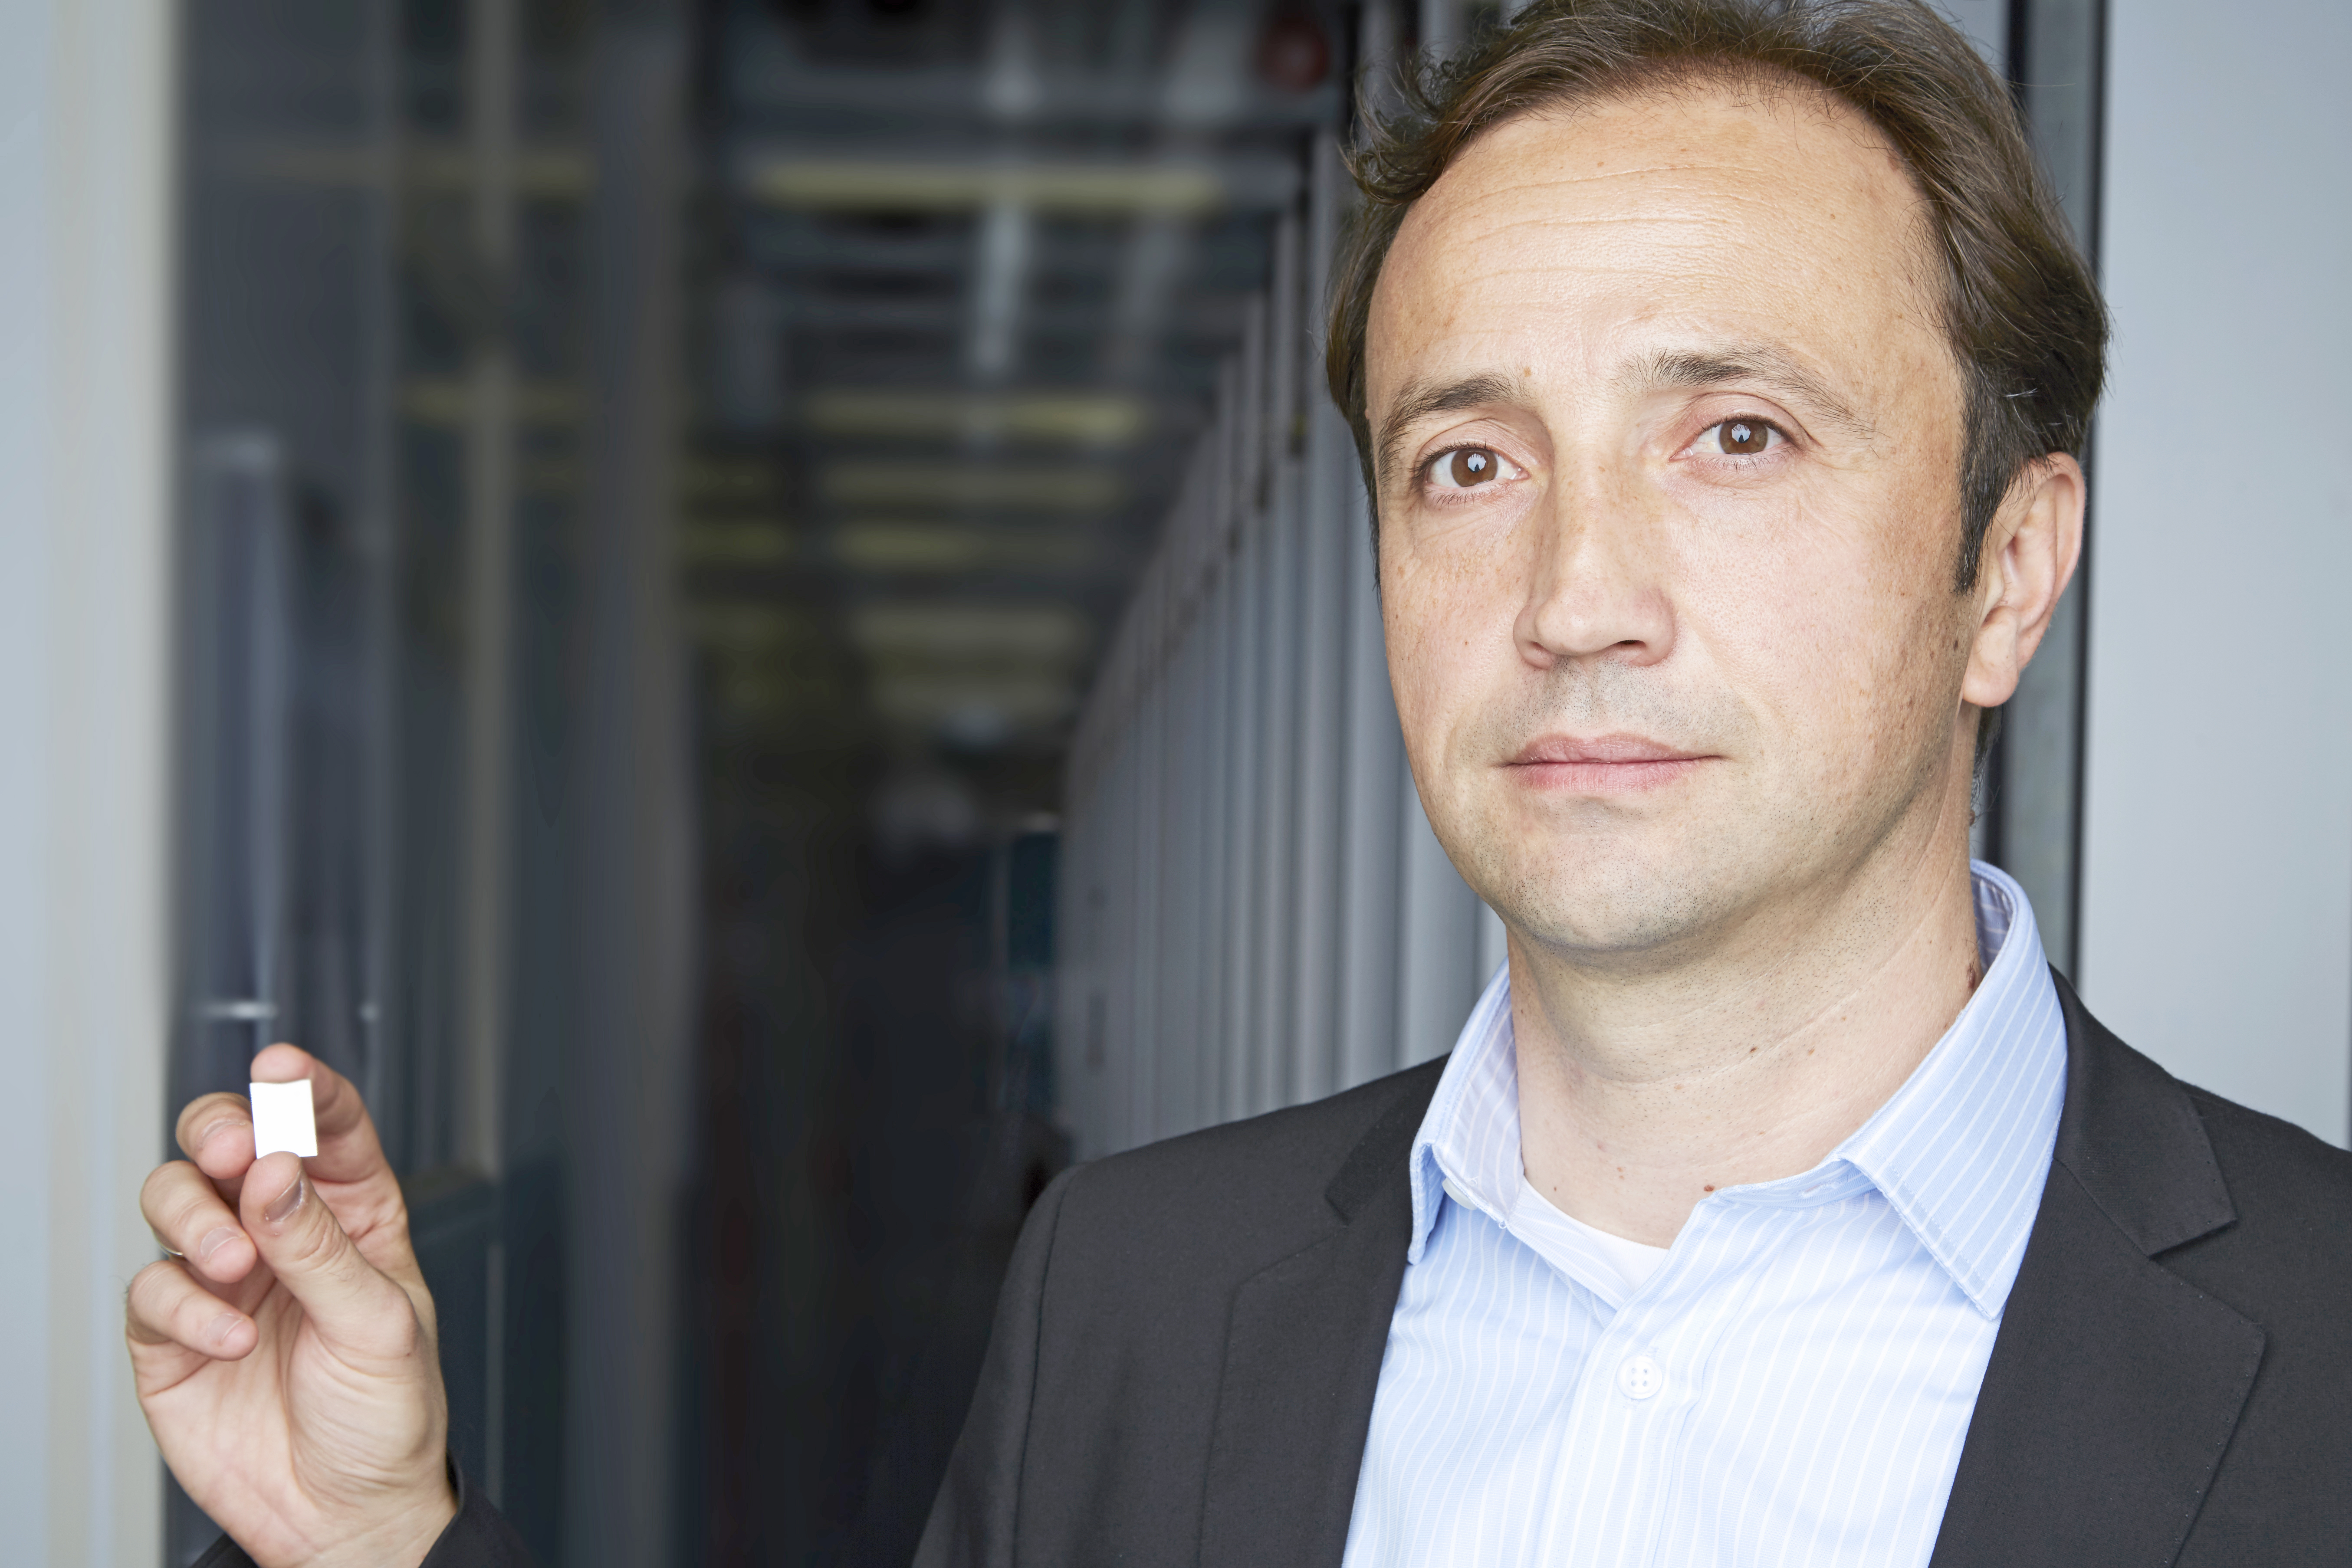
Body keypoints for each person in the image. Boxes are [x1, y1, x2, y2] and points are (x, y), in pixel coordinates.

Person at [128, 1, 2352, 1564]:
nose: (1575, 592)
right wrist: (370, 1540)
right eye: (1467, 460)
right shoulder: (1134, 1294)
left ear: (2007, 567)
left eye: (1735, 436)